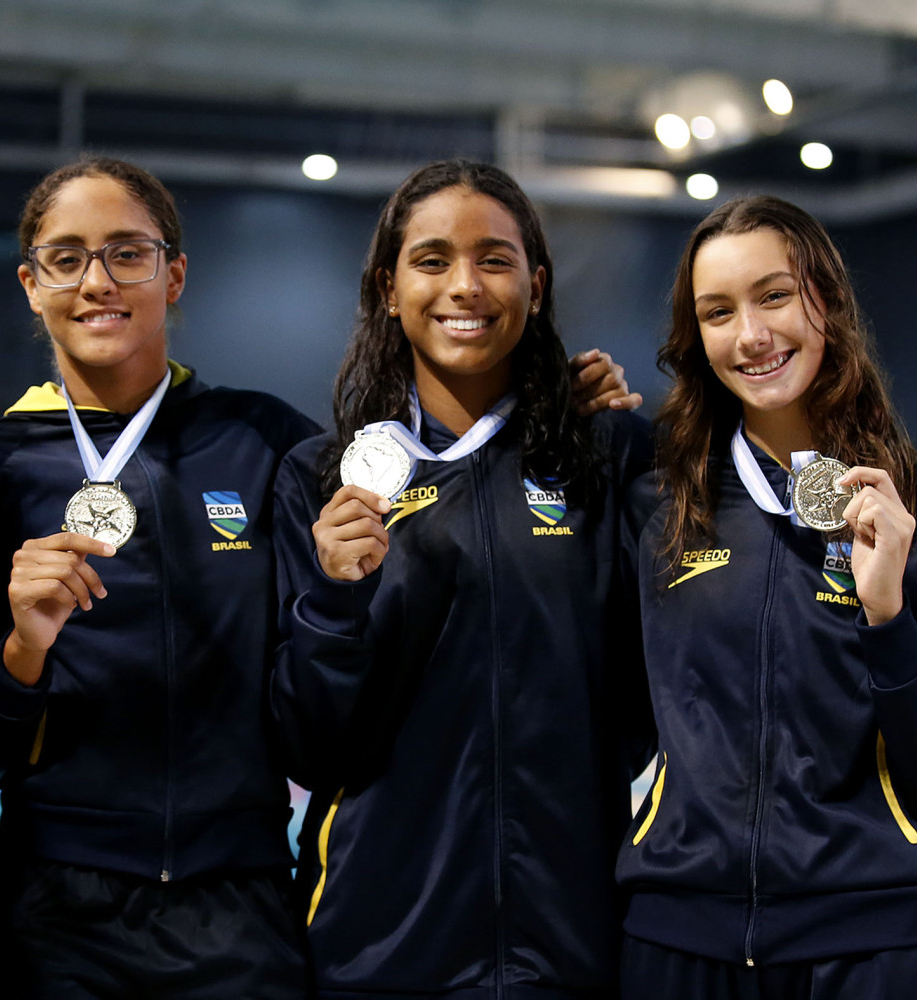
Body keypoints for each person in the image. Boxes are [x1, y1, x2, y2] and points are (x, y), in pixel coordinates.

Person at [0, 157, 323, 999]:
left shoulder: (263, 440)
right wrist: (20, 648)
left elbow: (417, 486)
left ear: (174, 274)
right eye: (66, 258)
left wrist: (558, 414)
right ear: (31, 285)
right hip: (55, 909)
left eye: (127, 253)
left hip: (242, 900)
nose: (96, 281)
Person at [271, 158, 659, 998]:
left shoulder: (610, 458)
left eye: (494, 259)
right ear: (386, 286)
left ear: (537, 283)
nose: (465, 286)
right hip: (379, 942)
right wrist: (333, 600)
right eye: (432, 259)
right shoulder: (319, 479)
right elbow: (304, 745)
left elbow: (645, 701)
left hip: (571, 938)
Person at [616, 195, 917, 999]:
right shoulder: (655, 502)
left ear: (826, 299)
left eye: (774, 296)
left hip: (869, 951)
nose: (749, 335)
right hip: (678, 942)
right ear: (696, 339)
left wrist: (887, 614)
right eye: (716, 311)